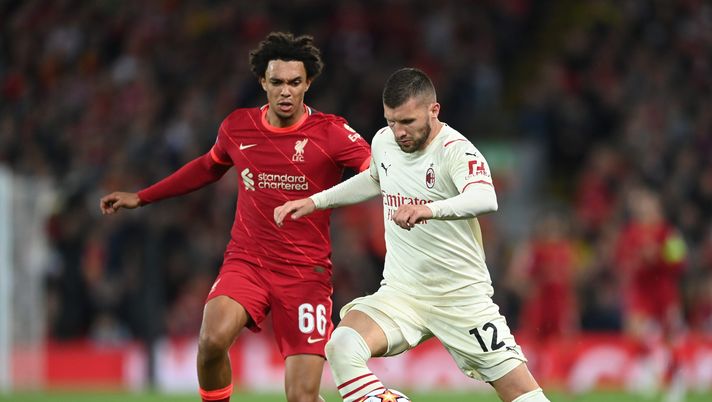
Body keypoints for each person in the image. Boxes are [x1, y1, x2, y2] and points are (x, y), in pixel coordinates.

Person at [100, 32, 371, 402]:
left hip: (306, 273)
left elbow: (378, 170)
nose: (285, 91)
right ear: (263, 82)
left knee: (302, 398)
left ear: (308, 83)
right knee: (211, 341)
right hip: (249, 262)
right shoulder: (238, 127)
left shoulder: (332, 133)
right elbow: (207, 167)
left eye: (295, 82)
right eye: (276, 82)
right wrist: (143, 197)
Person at [275, 68, 549, 402]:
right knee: (343, 345)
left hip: (460, 298)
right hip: (402, 293)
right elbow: (376, 179)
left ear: (434, 110)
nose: (399, 132)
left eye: (407, 121)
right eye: (391, 121)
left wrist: (428, 209)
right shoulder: (384, 142)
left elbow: (484, 198)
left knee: (523, 395)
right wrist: (316, 201)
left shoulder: (456, 150)